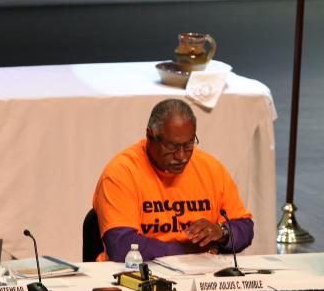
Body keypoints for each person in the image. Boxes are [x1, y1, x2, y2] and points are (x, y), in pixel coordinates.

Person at [92, 98, 253, 262]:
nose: (181, 156)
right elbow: (121, 246)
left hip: (202, 276)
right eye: (172, 146)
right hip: (134, 277)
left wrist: (221, 232)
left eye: (189, 144)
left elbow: (245, 229)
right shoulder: (121, 173)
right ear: (150, 135)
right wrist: (186, 250)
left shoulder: (211, 168)